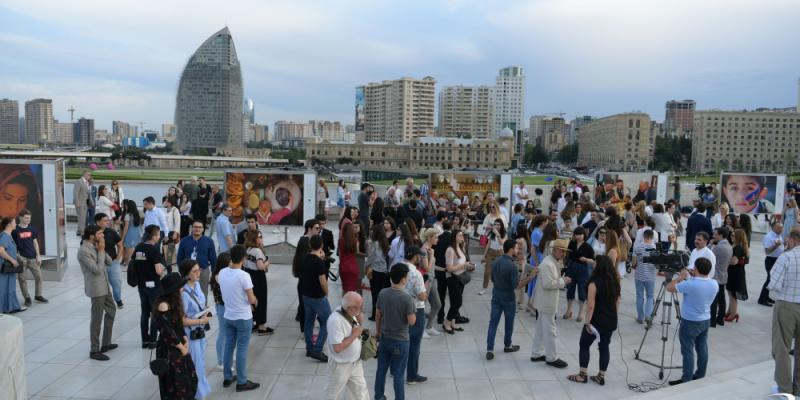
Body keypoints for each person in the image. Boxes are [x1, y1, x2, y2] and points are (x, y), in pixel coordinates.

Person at [567, 254, 620, 386]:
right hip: (611, 320)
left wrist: (587, 322)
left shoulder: (593, 283)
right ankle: (601, 376)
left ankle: (582, 375)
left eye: (595, 262)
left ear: (599, 266)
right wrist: (613, 315)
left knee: (584, 344)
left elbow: (590, 306)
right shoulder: (615, 281)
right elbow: (617, 302)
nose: (593, 264)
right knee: (604, 346)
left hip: (597, 321)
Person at [667, 258, 719, 386]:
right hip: (705, 319)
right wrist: (692, 275)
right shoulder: (714, 283)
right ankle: (700, 374)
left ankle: (687, 378)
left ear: (696, 269)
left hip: (690, 321)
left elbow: (669, 287)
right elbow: (699, 283)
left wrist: (681, 276)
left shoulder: (690, 284)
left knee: (687, 350)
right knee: (702, 348)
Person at [218, 245, 260, 391]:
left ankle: (227, 376)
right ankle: (242, 381)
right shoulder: (244, 276)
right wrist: (255, 301)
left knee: (229, 345)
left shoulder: (222, 272)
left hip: (228, 315)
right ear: (243, 259)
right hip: (243, 317)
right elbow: (251, 299)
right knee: (242, 348)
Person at [152, 272, 198, 399]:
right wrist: (182, 347)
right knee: (175, 383)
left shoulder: (175, 302)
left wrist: (185, 339)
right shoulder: (163, 305)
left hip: (179, 345)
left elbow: (178, 325)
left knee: (189, 378)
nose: (183, 287)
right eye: (180, 286)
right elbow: (167, 331)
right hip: (170, 350)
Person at [374, 263, 416, 400]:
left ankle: (379, 396)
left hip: (385, 338)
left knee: (381, 370)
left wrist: (378, 332)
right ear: (403, 279)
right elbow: (411, 321)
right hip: (401, 341)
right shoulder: (407, 298)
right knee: (398, 374)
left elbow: (378, 315)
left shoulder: (383, 293)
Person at [486, 239, 532, 360]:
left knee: (493, 323)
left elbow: (492, 279)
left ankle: (490, 349)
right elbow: (517, 285)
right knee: (509, 323)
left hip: (496, 295)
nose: (518, 250)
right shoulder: (512, 265)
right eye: (517, 248)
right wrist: (530, 277)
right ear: (511, 249)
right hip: (508, 298)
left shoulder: (495, 261)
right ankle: (508, 345)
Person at [767, 229, 800, 395]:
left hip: (787, 304)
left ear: (793, 240)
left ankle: (785, 389)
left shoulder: (786, 257)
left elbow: (773, 284)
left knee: (781, 349)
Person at [77, 225, 117, 360]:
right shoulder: (83, 251)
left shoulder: (97, 246)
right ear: (91, 236)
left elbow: (110, 262)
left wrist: (102, 248)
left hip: (104, 286)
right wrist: (100, 251)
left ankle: (106, 343)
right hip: (96, 288)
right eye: (100, 234)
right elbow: (97, 270)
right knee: (96, 319)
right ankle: (94, 350)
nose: (102, 236)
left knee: (111, 310)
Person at [530, 238, 571, 369]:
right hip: (546, 302)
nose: (564, 254)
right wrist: (563, 281)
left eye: (565, 251)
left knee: (541, 329)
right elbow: (548, 284)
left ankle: (536, 353)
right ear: (555, 250)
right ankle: (551, 358)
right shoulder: (548, 263)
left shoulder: (552, 261)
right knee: (550, 330)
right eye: (562, 251)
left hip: (544, 301)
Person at [325, 291, 370, 400]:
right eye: (359, 307)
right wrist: (354, 335)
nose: (361, 309)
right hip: (340, 366)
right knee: (332, 394)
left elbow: (356, 328)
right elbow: (337, 348)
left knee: (361, 393)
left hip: (355, 363)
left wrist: (359, 319)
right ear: (351, 307)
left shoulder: (349, 313)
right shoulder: (335, 320)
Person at [394, 245, 428, 384]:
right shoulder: (416, 273)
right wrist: (425, 290)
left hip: (398, 307)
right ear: (415, 256)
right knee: (414, 344)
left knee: (399, 340)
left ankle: (395, 370)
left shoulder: (396, 268)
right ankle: (412, 375)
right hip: (415, 310)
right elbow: (421, 296)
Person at [178, 260, 211, 399]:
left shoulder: (197, 285)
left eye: (199, 270)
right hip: (191, 333)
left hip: (200, 331)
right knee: (196, 366)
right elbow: (182, 320)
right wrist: (200, 320)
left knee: (201, 363)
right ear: (186, 274)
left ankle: (200, 392)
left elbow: (202, 303)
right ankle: (197, 395)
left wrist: (206, 311)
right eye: (195, 271)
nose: (199, 273)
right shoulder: (183, 293)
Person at [133, 224, 166, 348]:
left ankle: (144, 340)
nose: (159, 237)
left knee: (144, 313)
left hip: (141, 285)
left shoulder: (139, 247)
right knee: (155, 313)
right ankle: (153, 341)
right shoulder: (154, 250)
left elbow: (135, 263)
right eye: (158, 234)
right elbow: (158, 271)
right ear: (154, 236)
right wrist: (163, 270)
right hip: (154, 287)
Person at [300, 235, 331, 362]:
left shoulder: (306, 258)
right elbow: (323, 282)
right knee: (327, 321)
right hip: (318, 297)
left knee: (309, 322)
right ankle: (317, 350)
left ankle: (309, 348)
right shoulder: (318, 262)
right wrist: (326, 292)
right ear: (322, 246)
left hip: (306, 295)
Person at [443, 229, 475, 334]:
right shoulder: (450, 250)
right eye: (459, 235)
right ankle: (446, 322)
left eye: (462, 235)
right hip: (453, 278)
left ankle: (453, 322)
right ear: (454, 237)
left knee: (455, 302)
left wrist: (468, 265)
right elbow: (449, 268)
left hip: (461, 277)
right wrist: (464, 265)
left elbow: (463, 261)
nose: (462, 237)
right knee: (457, 302)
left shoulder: (461, 247)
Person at [12, 209, 47, 306]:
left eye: (29, 218)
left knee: (39, 277)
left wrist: (38, 256)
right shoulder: (14, 230)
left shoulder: (32, 229)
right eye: (26, 218)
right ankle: (27, 297)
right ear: (20, 218)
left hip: (32, 257)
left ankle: (38, 295)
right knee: (22, 279)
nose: (28, 220)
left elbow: (35, 242)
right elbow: (12, 244)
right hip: (21, 258)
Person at [177, 220, 217, 301]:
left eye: (200, 227)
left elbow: (213, 259)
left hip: (203, 271)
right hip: (187, 272)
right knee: (186, 292)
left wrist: (214, 273)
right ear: (192, 228)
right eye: (195, 227)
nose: (197, 229)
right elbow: (179, 258)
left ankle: (202, 311)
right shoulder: (184, 241)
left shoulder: (209, 241)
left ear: (203, 229)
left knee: (203, 293)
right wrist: (182, 272)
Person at [243, 230, 272, 335]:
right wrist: (267, 263)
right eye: (260, 236)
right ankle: (261, 326)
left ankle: (254, 322)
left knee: (253, 299)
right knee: (262, 300)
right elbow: (260, 266)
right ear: (255, 238)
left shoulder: (247, 249)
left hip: (249, 275)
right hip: (258, 277)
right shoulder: (257, 251)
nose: (261, 238)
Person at [564, 227, 595, 322]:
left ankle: (580, 313)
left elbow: (593, 260)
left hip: (582, 269)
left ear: (584, 235)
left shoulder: (587, 246)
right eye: (576, 234)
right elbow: (567, 256)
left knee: (582, 291)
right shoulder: (571, 244)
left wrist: (585, 259)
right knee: (570, 289)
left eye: (580, 234)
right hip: (571, 267)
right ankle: (569, 310)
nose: (578, 237)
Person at [94, 213, 124, 309]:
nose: (108, 222)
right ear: (98, 222)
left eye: (108, 220)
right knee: (100, 286)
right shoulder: (91, 232)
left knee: (117, 283)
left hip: (112, 263)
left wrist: (118, 258)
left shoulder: (111, 232)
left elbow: (120, 245)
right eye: (105, 220)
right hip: (98, 263)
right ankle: (103, 304)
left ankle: (118, 299)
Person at [419, 227, 442, 337]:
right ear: (429, 237)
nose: (437, 239)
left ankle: (429, 327)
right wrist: (432, 256)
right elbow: (427, 268)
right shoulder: (424, 250)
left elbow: (432, 267)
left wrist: (443, 269)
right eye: (436, 237)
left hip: (432, 279)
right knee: (422, 305)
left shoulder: (429, 249)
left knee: (437, 304)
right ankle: (421, 329)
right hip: (426, 280)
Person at [632, 229, 657, 324]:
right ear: (652, 237)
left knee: (639, 296)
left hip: (639, 275)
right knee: (650, 296)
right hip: (650, 276)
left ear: (643, 236)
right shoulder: (655, 248)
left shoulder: (637, 247)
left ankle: (640, 317)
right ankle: (648, 314)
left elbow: (634, 263)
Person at [709, 227, 733, 328]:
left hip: (716, 276)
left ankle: (713, 321)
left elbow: (708, 254)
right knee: (721, 299)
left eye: (715, 234)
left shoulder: (718, 247)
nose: (714, 236)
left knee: (714, 300)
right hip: (723, 275)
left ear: (721, 235)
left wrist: (710, 244)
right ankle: (720, 319)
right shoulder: (729, 246)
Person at [366, 224, 390, 321]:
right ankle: (382, 313)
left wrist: (366, 266)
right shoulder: (385, 243)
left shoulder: (374, 244)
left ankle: (374, 314)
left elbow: (370, 257)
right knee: (381, 292)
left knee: (374, 293)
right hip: (383, 270)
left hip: (375, 270)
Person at [725, 228, 749, 321]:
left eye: (733, 235)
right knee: (730, 292)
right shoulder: (738, 246)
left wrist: (726, 260)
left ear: (738, 237)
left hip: (734, 272)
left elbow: (734, 261)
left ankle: (733, 313)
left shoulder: (738, 247)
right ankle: (729, 311)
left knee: (732, 294)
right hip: (735, 272)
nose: (731, 237)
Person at [480, 218, 507, 296]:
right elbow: (488, 244)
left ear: (501, 226)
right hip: (490, 253)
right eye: (495, 224)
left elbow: (501, 243)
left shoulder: (504, 234)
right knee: (487, 272)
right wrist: (483, 256)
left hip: (500, 253)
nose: (496, 226)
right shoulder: (491, 233)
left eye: (498, 224)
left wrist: (497, 234)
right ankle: (484, 288)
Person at [760, 222, 785, 306]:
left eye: (782, 228)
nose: (781, 230)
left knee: (771, 279)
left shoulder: (778, 236)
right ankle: (762, 299)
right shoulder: (768, 237)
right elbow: (767, 251)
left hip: (777, 260)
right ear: (773, 228)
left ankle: (766, 296)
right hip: (771, 260)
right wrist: (776, 245)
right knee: (769, 279)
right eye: (779, 228)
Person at [120, 199, 143, 268]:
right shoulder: (137, 214)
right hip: (138, 234)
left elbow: (126, 227)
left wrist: (123, 238)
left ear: (128, 206)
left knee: (128, 253)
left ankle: (127, 266)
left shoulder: (127, 215)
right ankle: (140, 265)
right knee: (139, 250)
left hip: (130, 235)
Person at [339, 221, 359, 293]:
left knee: (345, 289)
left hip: (343, 265)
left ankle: (344, 303)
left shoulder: (341, 240)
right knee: (353, 289)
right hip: (353, 266)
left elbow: (340, 254)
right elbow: (356, 252)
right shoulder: (355, 240)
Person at [73, 170, 92, 236]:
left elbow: (88, 193)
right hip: (80, 203)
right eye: (88, 175)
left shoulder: (87, 182)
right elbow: (75, 193)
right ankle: (82, 232)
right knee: (82, 218)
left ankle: (78, 231)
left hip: (85, 203)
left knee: (83, 217)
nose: (90, 176)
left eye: (90, 175)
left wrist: (91, 202)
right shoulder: (79, 181)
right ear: (84, 175)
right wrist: (77, 202)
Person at [164, 197, 182, 266]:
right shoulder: (165, 209)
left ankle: (170, 263)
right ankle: (168, 262)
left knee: (171, 246)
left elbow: (177, 222)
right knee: (166, 246)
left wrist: (175, 232)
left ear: (170, 202)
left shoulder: (175, 210)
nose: (165, 202)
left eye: (166, 201)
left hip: (172, 231)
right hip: (166, 231)